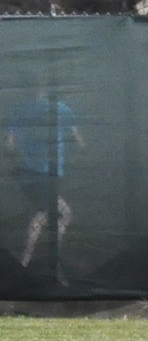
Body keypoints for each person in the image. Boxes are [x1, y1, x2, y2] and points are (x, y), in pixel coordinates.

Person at [6, 90, 85, 279]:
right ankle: (41, 259)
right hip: (45, 174)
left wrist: (17, 161)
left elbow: (9, 144)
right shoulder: (60, 108)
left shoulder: (19, 111)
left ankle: (30, 260)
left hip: (30, 175)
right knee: (60, 213)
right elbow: (77, 138)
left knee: (43, 214)